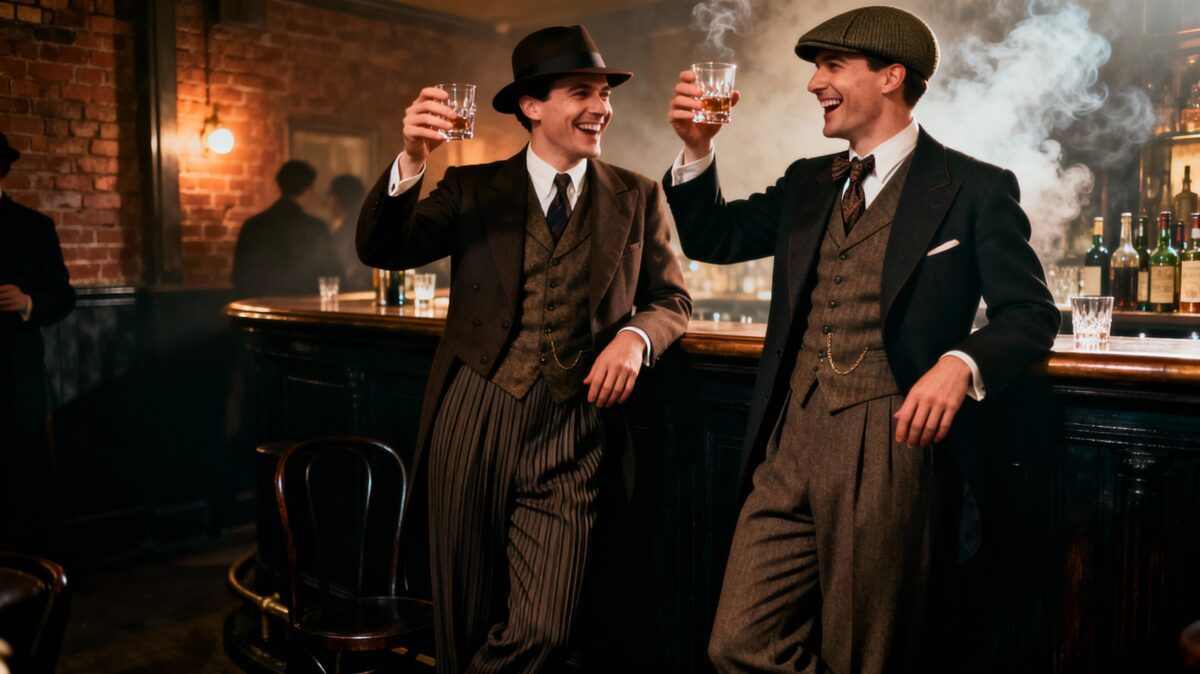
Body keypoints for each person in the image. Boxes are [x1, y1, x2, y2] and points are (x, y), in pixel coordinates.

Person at [663, 7, 1060, 673]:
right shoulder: (806, 183)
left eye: (830, 66)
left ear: (890, 76)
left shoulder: (975, 187)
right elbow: (714, 238)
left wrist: (962, 363)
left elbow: (1030, 313)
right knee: (736, 643)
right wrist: (698, 148)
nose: (813, 82)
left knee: (864, 654)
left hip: (891, 441)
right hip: (788, 435)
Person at [358, 24, 691, 673]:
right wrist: (412, 157)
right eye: (580, 91)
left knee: (543, 627)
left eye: (603, 92)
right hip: (473, 413)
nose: (601, 106)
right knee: (462, 620)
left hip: (576, 433)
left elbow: (672, 300)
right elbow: (384, 249)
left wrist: (634, 338)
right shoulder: (473, 188)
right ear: (531, 106)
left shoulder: (639, 194)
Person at [0, 131, 76, 553]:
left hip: (16, 371)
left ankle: (30, 573)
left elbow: (64, 297)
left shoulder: (34, 227)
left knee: (23, 471)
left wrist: (28, 301)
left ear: (4, 171)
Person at [231, 160, 340, 298]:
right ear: (307, 189)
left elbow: (240, 277)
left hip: (259, 311)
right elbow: (332, 271)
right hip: (306, 310)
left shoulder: (254, 225)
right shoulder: (315, 228)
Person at [326, 174, 372, 291]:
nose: (327, 203)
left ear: (337, 198)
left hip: (355, 289)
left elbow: (348, 264)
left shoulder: (352, 226)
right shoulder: (359, 220)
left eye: (330, 196)